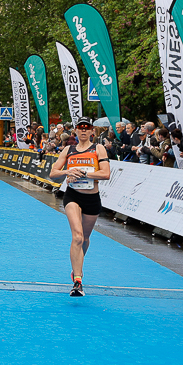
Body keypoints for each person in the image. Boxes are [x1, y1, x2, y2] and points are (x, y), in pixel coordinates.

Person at [50, 117, 111, 297]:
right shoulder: (68, 150)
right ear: (75, 131)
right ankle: (78, 280)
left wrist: (85, 173)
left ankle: (77, 265)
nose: (83, 130)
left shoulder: (98, 148)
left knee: (84, 239)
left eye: (87, 127)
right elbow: (53, 173)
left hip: (92, 198)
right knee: (77, 236)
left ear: (92, 131)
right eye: (80, 127)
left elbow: (106, 173)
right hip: (73, 196)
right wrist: (67, 171)